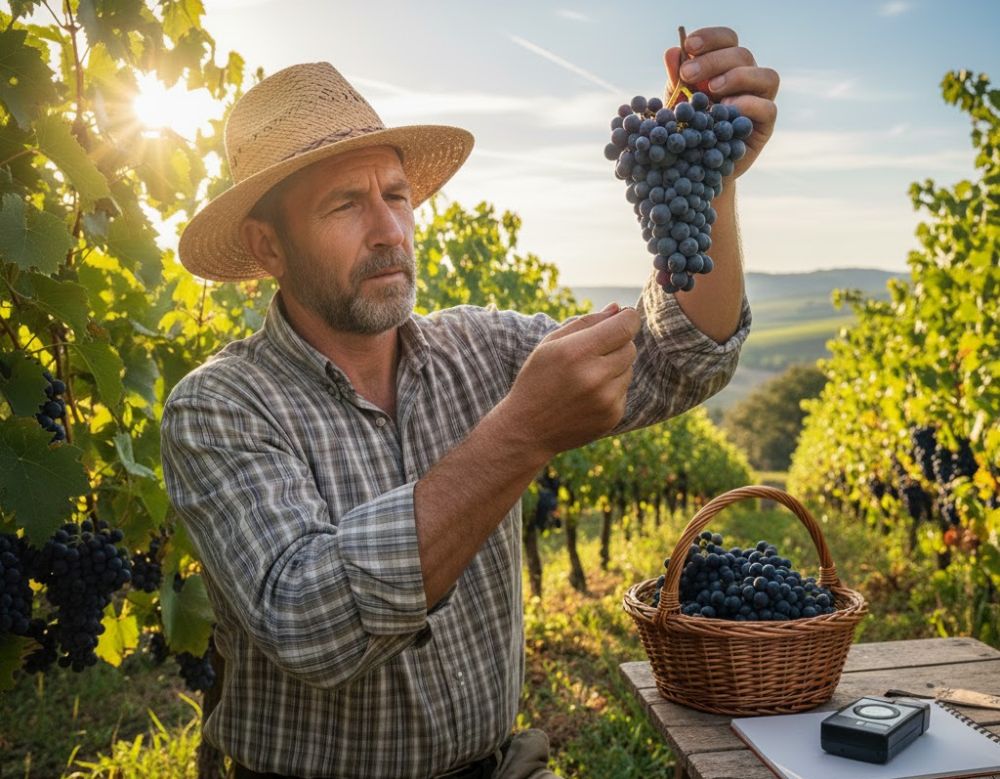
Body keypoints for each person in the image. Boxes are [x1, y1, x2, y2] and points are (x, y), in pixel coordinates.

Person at [160, 26, 778, 779]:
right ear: (267, 247)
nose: (389, 230)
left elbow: (677, 360)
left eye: (396, 196)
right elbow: (311, 622)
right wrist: (521, 434)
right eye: (345, 205)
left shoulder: (482, 347)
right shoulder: (219, 407)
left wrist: (712, 179)